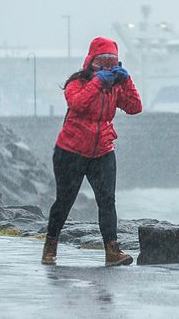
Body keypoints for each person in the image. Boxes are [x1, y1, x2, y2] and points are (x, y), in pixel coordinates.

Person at [42, 37, 142, 267]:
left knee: (107, 201)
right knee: (64, 200)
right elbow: (78, 104)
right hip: (71, 151)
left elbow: (135, 107)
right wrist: (97, 83)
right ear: (90, 62)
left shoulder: (116, 86)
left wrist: (127, 82)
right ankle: (50, 244)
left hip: (103, 151)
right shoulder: (77, 83)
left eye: (112, 61)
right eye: (102, 61)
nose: (107, 66)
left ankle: (112, 250)